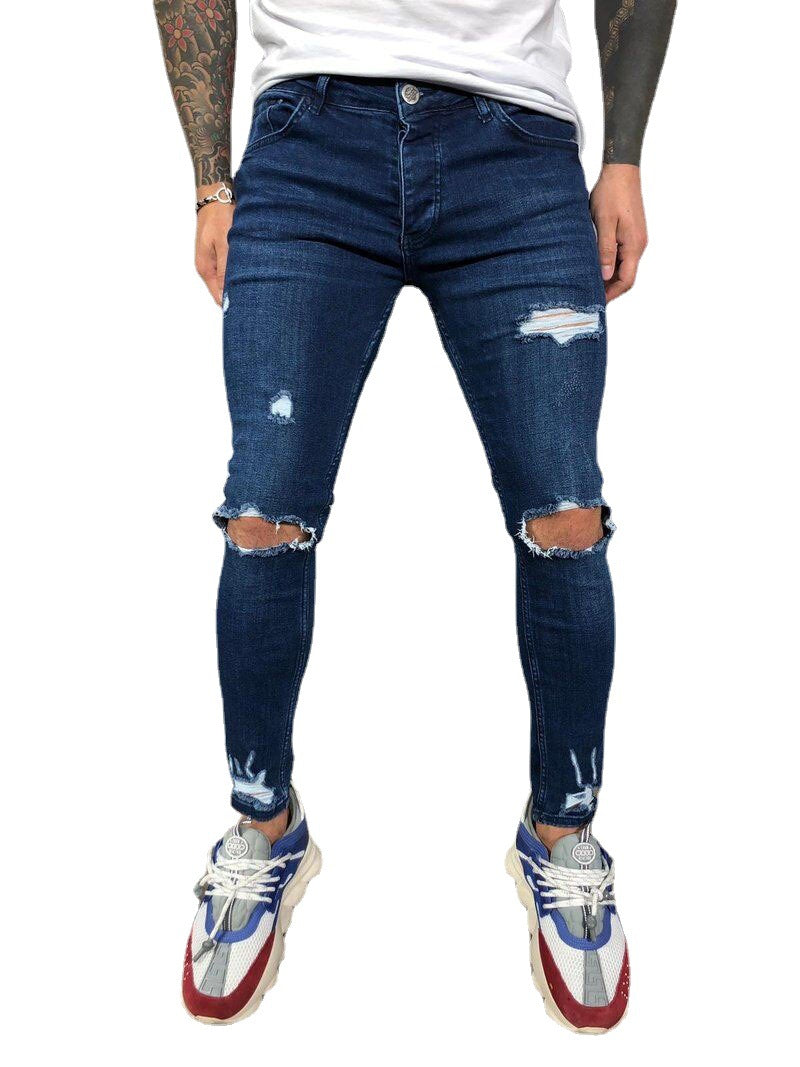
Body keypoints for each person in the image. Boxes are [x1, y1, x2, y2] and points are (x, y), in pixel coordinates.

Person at [155, 0, 675, 1031]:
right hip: (307, 142)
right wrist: (210, 179)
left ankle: (561, 831)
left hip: (515, 145)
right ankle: (265, 823)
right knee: (263, 513)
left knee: (565, 516)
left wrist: (623, 157)